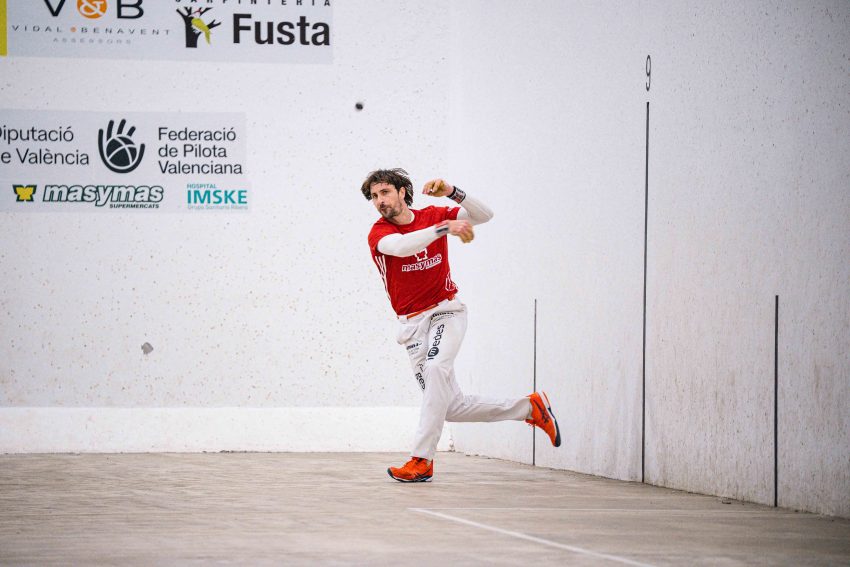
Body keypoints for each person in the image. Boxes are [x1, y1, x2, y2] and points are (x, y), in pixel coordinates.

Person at [361, 168, 561, 483]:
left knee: (436, 369)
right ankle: (529, 409)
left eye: (384, 192)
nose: (379, 201)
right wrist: (444, 228)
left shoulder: (432, 214)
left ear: (402, 191)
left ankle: (421, 460)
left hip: (446, 312)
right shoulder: (379, 233)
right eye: (374, 196)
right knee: (450, 406)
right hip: (411, 326)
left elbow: (485, 215)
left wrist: (453, 192)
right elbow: (402, 247)